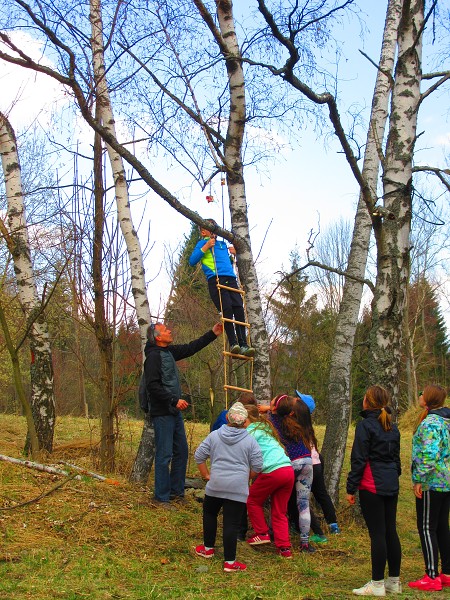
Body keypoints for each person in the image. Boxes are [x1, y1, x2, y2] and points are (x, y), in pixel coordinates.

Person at [143, 320, 223, 505]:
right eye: (165, 330)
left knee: (181, 451)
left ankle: (176, 494)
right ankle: (161, 498)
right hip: (163, 412)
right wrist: (173, 400)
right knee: (164, 455)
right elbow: (152, 386)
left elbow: (190, 348)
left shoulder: (168, 352)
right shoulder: (153, 357)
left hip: (173, 411)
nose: (169, 330)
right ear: (157, 337)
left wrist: (213, 334)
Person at [194, 402, 263, 573]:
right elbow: (258, 466)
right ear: (245, 421)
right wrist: (245, 477)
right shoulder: (250, 440)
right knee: (231, 524)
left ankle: (207, 549)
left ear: (227, 417)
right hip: (237, 489)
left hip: (215, 484)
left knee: (210, 514)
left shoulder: (215, 435)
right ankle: (230, 563)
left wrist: (206, 475)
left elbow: (199, 456)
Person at [346, 385, 402, 596]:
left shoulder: (365, 425)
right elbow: (396, 459)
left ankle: (377, 583)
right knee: (390, 530)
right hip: (390, 483)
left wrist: (351, 487)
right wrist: (394, 475)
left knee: (378, 533)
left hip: (372, 484)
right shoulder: (392, 426)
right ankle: (394, 581)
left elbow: (358, 458)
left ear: (367, 401)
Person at [189, 219, 254, 356]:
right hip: (216, 279)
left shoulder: (222, 245)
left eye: (210, 228)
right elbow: (192, 260)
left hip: (230, 278)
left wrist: (234, 254)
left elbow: (225, 262)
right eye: (204, 228)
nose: (205, 230)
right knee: (227, 309)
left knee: (238, 309)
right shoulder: (202, 243)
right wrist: (206, 246)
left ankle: (244, 344)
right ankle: (234, 342)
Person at [408, 385, 450, 592]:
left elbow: (428, 455)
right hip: (447, 481)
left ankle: (431, 575)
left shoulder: (431, 423)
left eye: (422, 393)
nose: (420, 396)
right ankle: (447, 573)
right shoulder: (446, 420)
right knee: (442, 526)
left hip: (432, 482)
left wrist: (419, 479)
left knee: (426, 527)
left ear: (429, 399)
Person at [244, 405, 295, 558]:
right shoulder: (265, 429)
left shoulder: (250, 432)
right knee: (280, 511)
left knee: (252, 500)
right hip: (287, 469)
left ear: (247, 419)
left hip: (272, 470)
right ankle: (284, 548)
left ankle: (262, 533)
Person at [269, 394, 316, 553]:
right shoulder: (299, 421)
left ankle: (276, 535)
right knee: (303, 505)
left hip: (290, 464)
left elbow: (270, 413)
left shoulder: (275, 422)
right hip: (308, 463)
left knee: (279, 500)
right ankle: (304, 543)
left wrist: (270, 408)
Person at [293, 391, 340, 542]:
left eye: (298, 400)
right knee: (321, 494)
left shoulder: (295, 423)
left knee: (301, 498)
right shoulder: (307, 424)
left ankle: (314, 530)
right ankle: (333, 525)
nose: (295, 400)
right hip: (316, 461)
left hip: (309, 463)